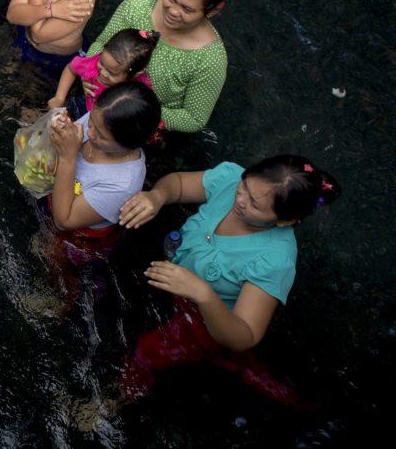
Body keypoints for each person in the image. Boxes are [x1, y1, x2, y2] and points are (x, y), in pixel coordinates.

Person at [116, 155, 341, 404]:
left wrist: (203, 294)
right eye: (244, 186)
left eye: (254, 204)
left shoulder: (274, 260)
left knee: (146, 353)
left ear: (284, 221)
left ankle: (115, 400)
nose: (240, 199)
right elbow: (178, 184)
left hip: (205, 321)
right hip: (180, 286)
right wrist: (158, 196)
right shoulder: (230, 178)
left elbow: (243, 335)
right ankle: (237, 366)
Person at [40, 82, 162, 307]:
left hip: (81, 237)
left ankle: (63, 304)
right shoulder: (102, 120)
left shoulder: (123, 183)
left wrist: (67, 156)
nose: (90, 132)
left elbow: (63, 220)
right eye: (91, 122)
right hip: (62, 198)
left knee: (63, 268)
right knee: (46, 250)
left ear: (130, 143)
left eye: (101, 135)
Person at [85, 0, 233, 133]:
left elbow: (193, 119)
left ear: (213, 11)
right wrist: (90, 75)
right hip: (98, 93)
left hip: (141, 124)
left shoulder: (210, 60)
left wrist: (136, 109)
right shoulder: (138, 6)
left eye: (187, 9)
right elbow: (101, 44)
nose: (173, 11)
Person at [48, 29, 158, 119]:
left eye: (112, 73)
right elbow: (70, 69)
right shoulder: (93, 64)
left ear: (136, 74)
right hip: (81, 105)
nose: (103, 73)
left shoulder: (140, 89)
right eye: (101, 63)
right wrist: (59, 97)